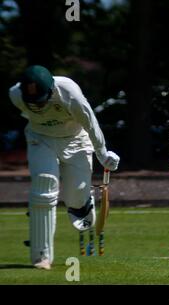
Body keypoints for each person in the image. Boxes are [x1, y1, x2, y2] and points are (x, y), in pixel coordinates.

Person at [9, 65, 120, 270]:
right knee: (44, 185)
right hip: (40, 139)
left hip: (76, 140)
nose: (38, 106)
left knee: (77, 202)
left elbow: (90, 124)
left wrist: (103, 154)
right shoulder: (15, 95)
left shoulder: (70, 93)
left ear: (51, 90)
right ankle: (41, 256)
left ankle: (82, 203)